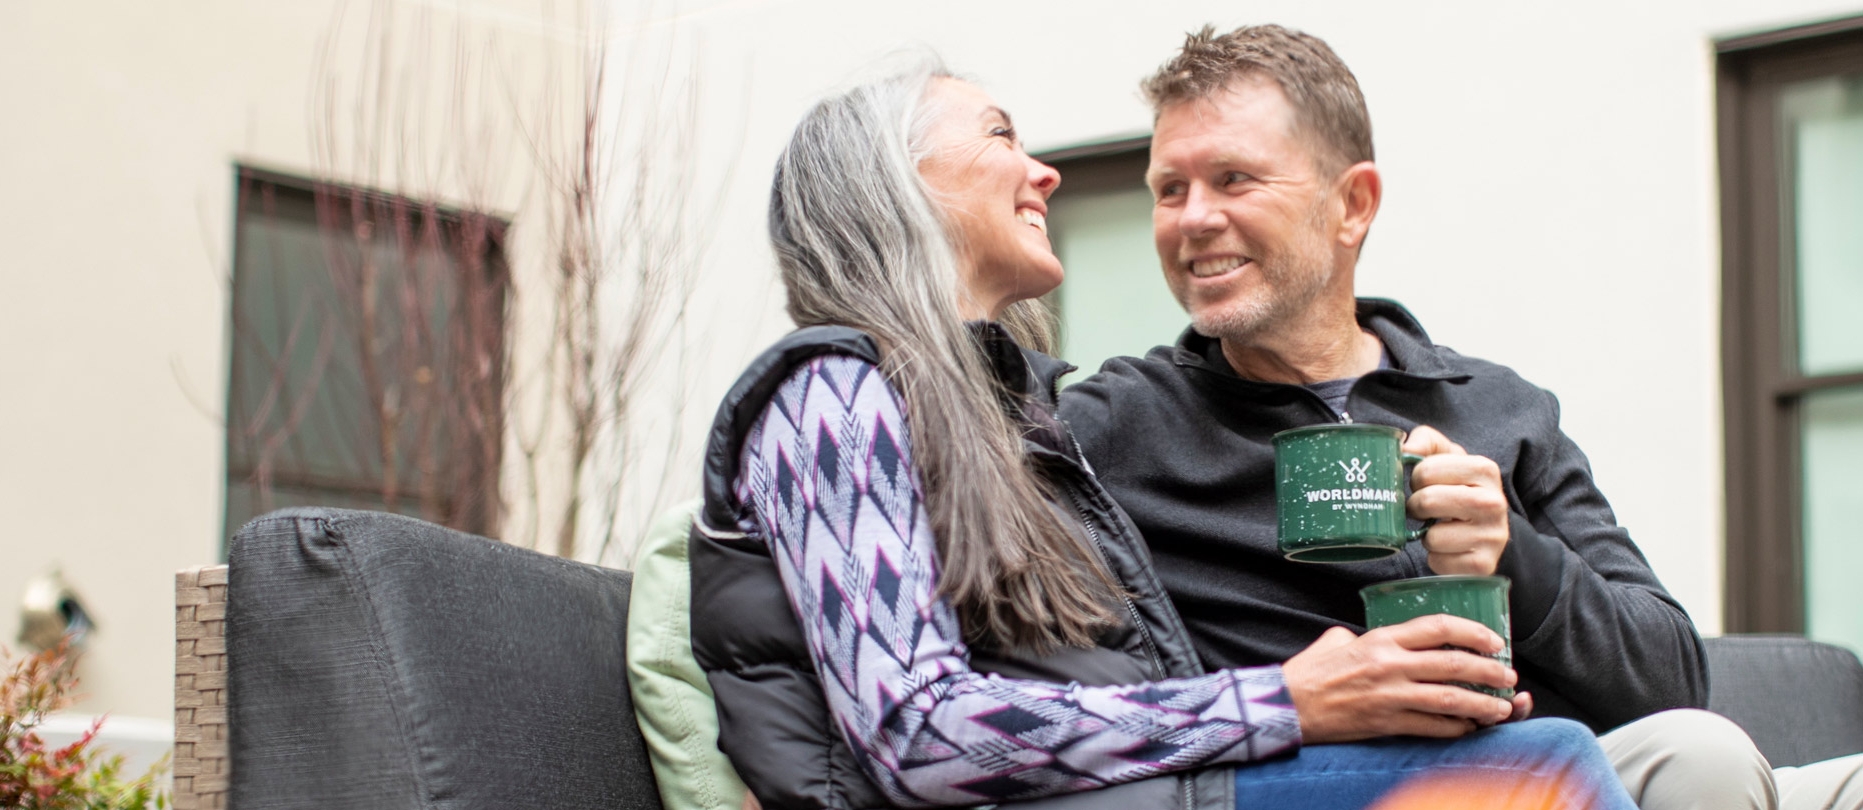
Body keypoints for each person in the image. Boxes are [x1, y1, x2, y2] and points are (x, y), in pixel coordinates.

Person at [681, 56, 1639, 810]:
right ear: (900, 185)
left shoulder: (1003, 418)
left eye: (1234, 178)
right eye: (1001, 135)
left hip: (1147, 790)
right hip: (1124, 796)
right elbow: (915, 730)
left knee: (1558, 756)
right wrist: (1289, 701)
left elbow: (1666, 671)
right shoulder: (834, 393)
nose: (1046, 171)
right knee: (1539, 772)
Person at [1055, 24, 1863, 810]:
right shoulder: (1108, 430)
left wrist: (1516, 555)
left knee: (1747, 759)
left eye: (1234, 180)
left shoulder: (1498, 407)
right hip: (1356, 786)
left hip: (1572, 762)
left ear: (1353, 204)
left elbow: (1672, 678)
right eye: (1170, 189)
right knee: (1703, 759)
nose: (1193, 217)